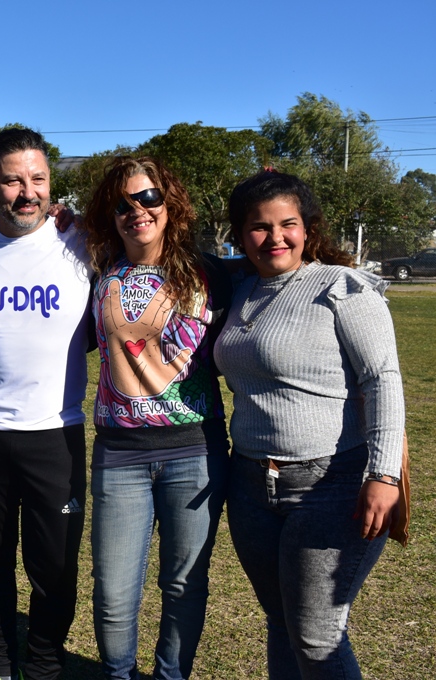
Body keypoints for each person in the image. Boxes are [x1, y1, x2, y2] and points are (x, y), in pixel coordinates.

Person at [214, 169, 403, 679]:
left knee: (318, 635)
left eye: (288, 224)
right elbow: (176, 260)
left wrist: (384, 475)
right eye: (259, 226)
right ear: (240, 235)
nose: (275, 237)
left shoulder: (341, 286)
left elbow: (382, 379)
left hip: (330, 484)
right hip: (250, 484)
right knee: (281, 621)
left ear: (307, 228)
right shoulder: (241, 287)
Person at [76, 156, 231, 680]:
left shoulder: (211, 272)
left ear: (170, 204)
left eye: (148, 198)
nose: (137, 211)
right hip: (119, 455)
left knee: (184, 585)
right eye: (122, 204)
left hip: (196, 453)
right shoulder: (97, 270)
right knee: (113, 592)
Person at [0, 128, 93, 680]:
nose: (27, 192)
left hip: (56, 435)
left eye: (38, 179)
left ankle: (45, 665)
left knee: (54, 568)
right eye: (13, 181)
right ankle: (2, 664)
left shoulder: (82, 242)